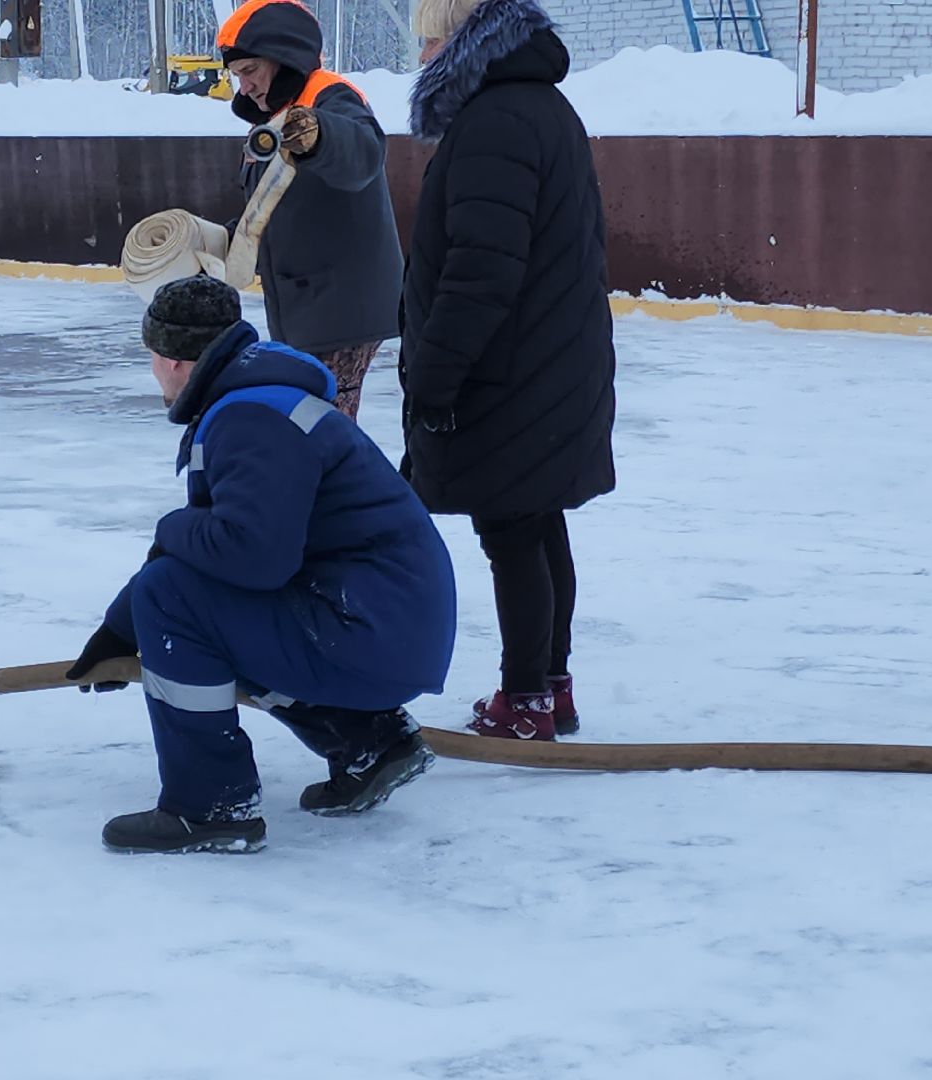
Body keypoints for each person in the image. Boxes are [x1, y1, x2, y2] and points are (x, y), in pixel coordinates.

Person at [67, 275, 457, 854]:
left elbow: (252, 557)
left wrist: (165, 531)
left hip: (369, 625)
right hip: (380, 620)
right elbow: (218, 555)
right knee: (181, 598)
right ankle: (369, 740)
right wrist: (120, 630)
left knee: (171, 598)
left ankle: (211, 806)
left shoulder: (252, 419)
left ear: (174, 359)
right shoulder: (254, 402)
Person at [397, 0, 618, 742]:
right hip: (548, 362)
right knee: (536, 521)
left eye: (428, 40)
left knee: (513, 534)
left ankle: (524, 702)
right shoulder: (539, 107)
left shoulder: (495, 123)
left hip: (510, 371)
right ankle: (547, 688)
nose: (421, 57)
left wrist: (432, 378)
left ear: (460, 40)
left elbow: (480, 272)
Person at [217, 0, 403, 420]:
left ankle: (348, 487)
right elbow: (276, 208)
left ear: (283, 59)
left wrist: (320, 136)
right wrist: (219, 239)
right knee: (314, 428)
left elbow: (363, 154)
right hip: (304, 309)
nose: (243, 87)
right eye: (237, 76)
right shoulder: (276, 115)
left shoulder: (328, 95)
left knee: (319, 427)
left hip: (339, 311)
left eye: (250, 71)